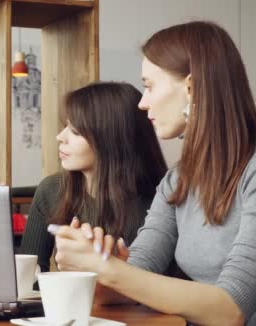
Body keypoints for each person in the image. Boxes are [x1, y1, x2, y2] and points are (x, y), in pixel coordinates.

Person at [51, 21, 256, 326]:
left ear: (191, 87)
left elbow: (230, 309)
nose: (143, 103)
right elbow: (135, 278)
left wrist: (112, 271)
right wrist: (92, 263)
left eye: (149, 85)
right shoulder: (177, 180)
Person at [19, 81, 167, 273]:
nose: (60, 137)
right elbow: (29, 279)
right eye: (66, 126)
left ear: (111, 140)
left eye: (75, 131)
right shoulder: (51, 190)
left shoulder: (161, 202)